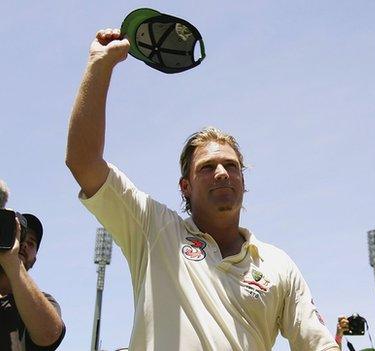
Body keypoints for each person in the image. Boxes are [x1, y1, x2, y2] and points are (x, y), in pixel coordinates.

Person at [66, 28, 339, 351]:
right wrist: (100, 65)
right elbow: (83, 162)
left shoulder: (277, 265)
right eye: (207, 168)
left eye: (231, 166)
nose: (222, 173)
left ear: (243, 181)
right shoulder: (154, 230)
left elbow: (318, 344)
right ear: (186, 187)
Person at [0, 213, 65, 350]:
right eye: (17, 236)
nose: (22, 245)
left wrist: (12, 261)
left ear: (34, 260)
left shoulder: (43, 302)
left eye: (30, 243)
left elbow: (48, 334)